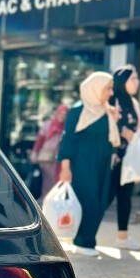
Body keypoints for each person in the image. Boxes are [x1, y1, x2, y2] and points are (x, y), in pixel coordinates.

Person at [57, 72, 121, 255]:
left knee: (101, 201)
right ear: (95, 88)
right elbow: (68, 140)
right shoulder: (78, 111)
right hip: (83, 165)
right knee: (89, 200)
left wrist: (114, 120)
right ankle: (83, 241)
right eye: (107, 88)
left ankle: (88, 239)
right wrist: (65, 167)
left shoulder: (106, 112)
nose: (110, 93)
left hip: (103, 165)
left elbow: (111, 140)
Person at [108, 65, 140, 251]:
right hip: (113, 159)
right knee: (104, 197)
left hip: (129, 160)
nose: (137, 82)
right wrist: (123, 131)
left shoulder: (133, 102)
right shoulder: (112, 99)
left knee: (126, 197)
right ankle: (83, 235)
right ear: (123, 82)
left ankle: (122, 237)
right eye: (133, 79)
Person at [30, 103, 68, 201]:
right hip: (46, 160)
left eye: (65, 115)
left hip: (59, 160)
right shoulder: (48, 125)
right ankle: (46, 201)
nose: (62, 117)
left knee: (59, 182)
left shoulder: (67, 127)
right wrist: (35, 153)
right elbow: (40, 140)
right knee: (46, 182)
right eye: (61, 114)